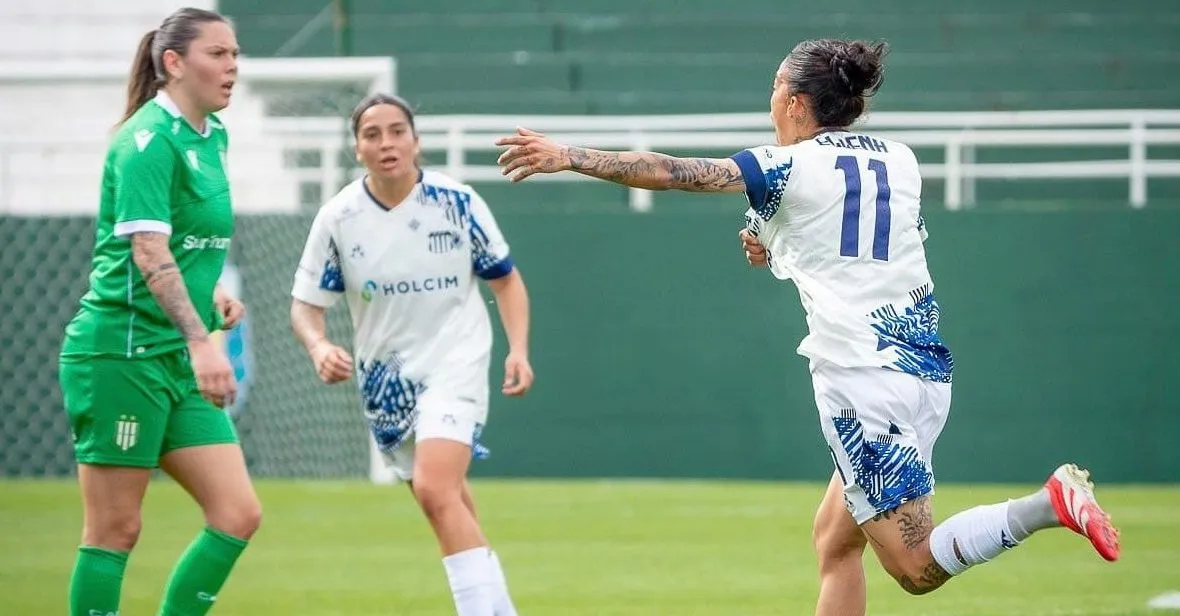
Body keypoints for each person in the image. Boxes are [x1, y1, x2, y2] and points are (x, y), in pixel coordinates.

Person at [494, 38, 1119, 615]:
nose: (768, 102)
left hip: (862, 380)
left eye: (773, 87)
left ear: (794, 101)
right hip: (924, 369)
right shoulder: (900, 162)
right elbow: (854, 239)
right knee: (834, 540)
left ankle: (1047, 505)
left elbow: (670, 171)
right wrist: (776, 245)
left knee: (915, 566)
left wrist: (569, 156)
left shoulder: (786, 167)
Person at [289, 93, 534, 616]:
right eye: (372, 134)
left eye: (397, 131)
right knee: (447, 501)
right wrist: (318, 344)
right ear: (357, 148)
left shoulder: (458, 202)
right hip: (387, 382)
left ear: (416, 140)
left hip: (456, 362)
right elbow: (306, 307)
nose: (386, 143)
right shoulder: (339, 218)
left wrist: (518, 349)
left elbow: (506, 281)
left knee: (434, 487)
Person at [57, 7, 260, 616]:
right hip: (120, 355)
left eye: (235, 54)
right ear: (174, 63)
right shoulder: (145, 141)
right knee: (115, 531)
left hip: (172, 351)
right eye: (218, 55)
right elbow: (149, 253)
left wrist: (210, 295)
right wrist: (203, 341)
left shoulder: (210, 135)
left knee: (237, 515)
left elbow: (184, 243)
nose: (232, 67)